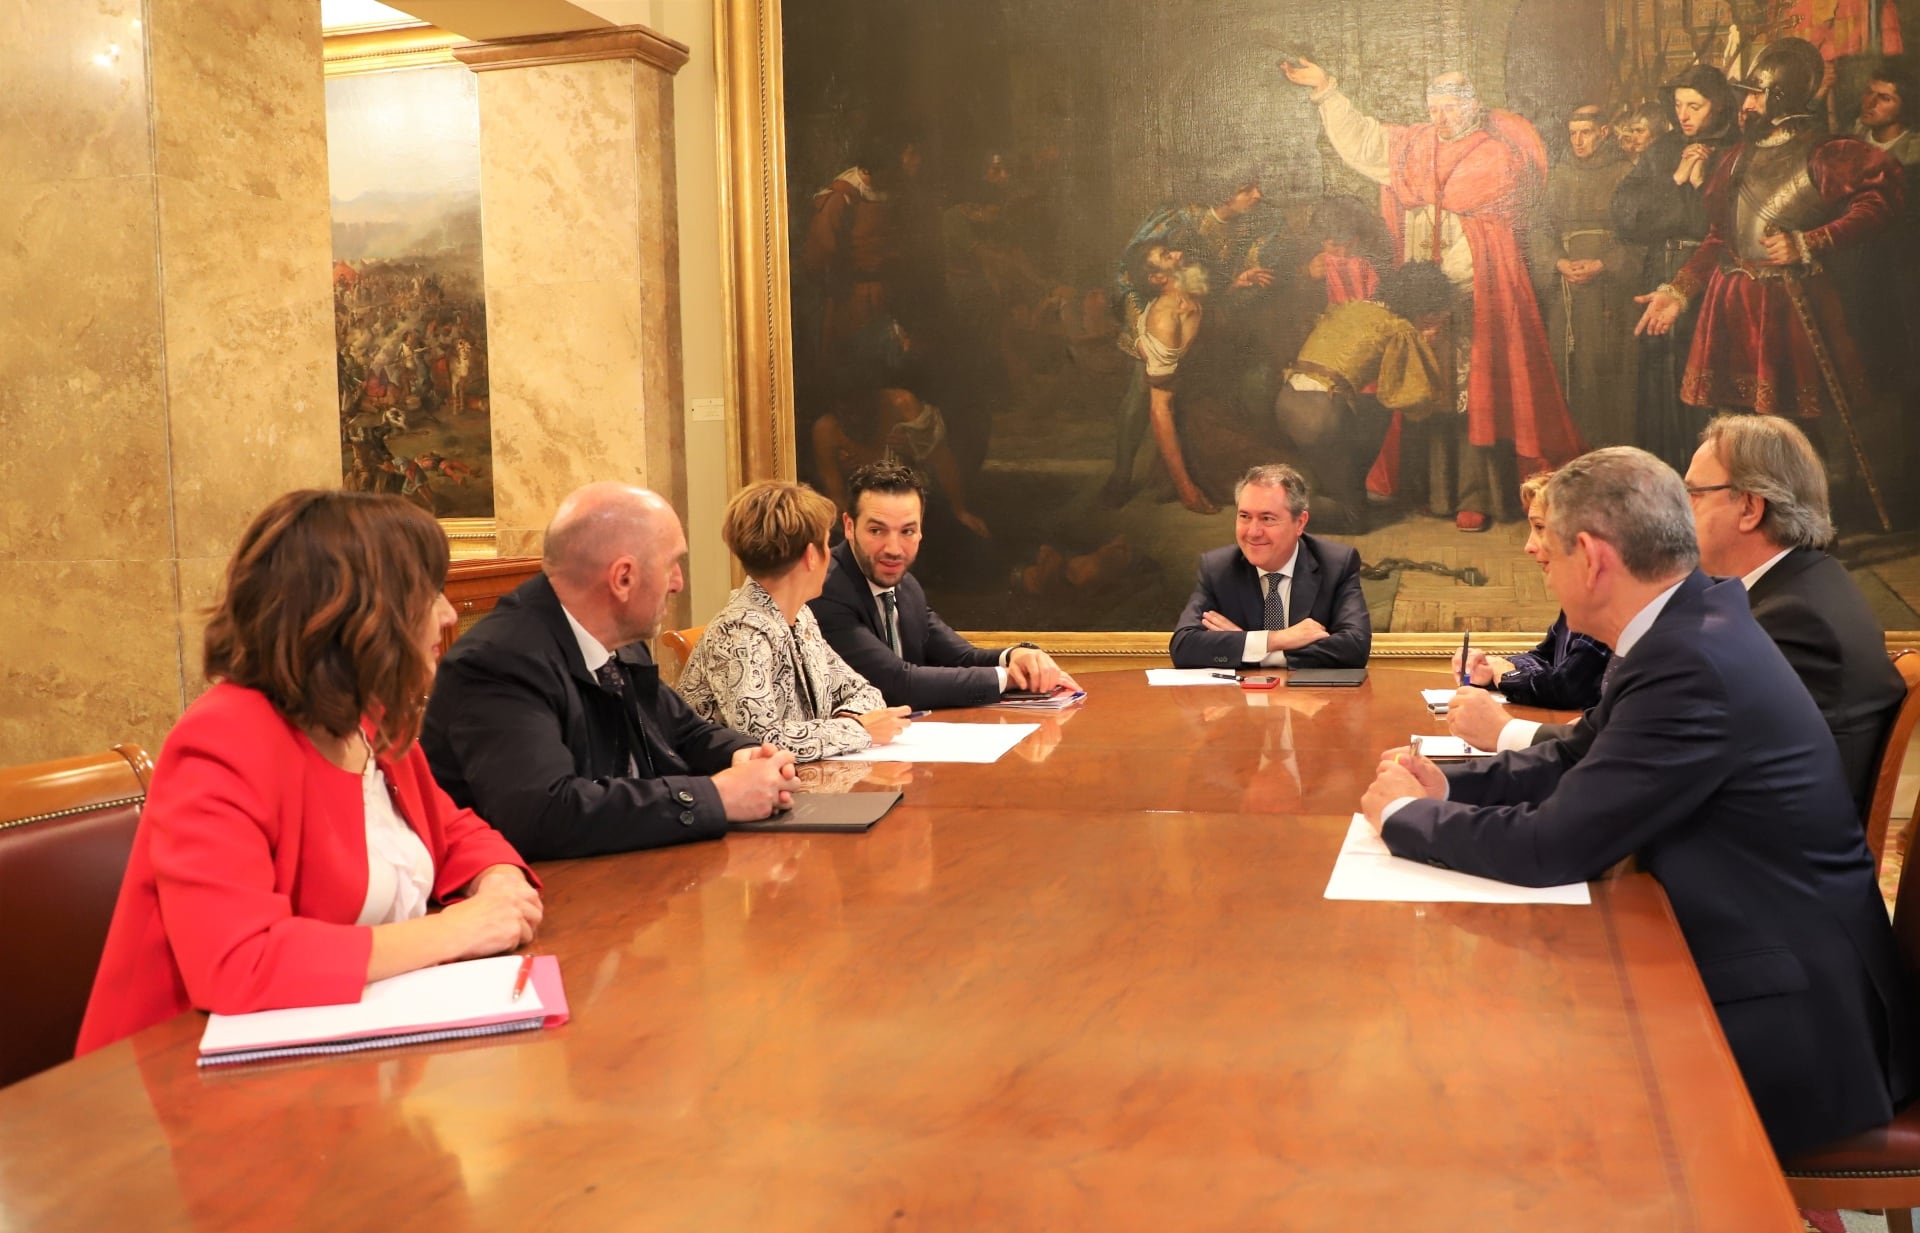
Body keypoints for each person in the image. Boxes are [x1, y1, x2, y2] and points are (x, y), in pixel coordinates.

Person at [1361, 447, 1916, 1157]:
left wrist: (1406, 818)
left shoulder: (1690, 660)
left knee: (1507, 1092)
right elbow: (1579, 752)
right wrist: (1453, 782)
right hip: (1763, 959)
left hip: (1794, 1020)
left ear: (1591, 557)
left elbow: (1554, 846)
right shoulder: (1685, 623)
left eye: (1546, 558)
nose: (1545, 571)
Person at [77, 491, 543, 1052]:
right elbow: (239, 961)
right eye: (429, 592)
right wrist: (454, 931)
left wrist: (498, 883)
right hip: (176, 1079)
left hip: (337, 1057)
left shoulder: (368, 720)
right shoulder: (220, 742)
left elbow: (452, 831)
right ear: (364, 615)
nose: (448, 614)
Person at [1282, 58, 1584, 531]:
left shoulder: (1495, 156)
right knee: (1424, 389)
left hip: (1472, 295)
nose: (1439, 119)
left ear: (1472, 109)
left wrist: (1447, 293)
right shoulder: (1415, 145)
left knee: (1472, 395)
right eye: (1433, 108)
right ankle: (1433, 491)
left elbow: (1480, 228)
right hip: (1420, 297)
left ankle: (1474, 496)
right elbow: (1363, 140)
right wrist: (1325, 90)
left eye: (1449, 109)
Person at [421, 483, 797, 861]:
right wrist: (716, 797)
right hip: (543, 897)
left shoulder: (616, 636)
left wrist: (744, 757)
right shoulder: (499, 662)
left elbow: (682, 732)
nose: (678, 583)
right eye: (672, 565)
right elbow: (544, 814)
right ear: (623, 579)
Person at [1634, 37, 1904, 512]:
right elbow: (1721, 237)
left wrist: (1810, 242)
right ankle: (1744, 517)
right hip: (1731, 302)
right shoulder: (1736, 158)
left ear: (1780, 97)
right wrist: (1677, 291)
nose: (1747, 104)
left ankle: (1805, 524)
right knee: (1734, 425)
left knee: (1796, 425)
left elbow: (1881, 201)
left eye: (1756, 94)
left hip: (1790, 303)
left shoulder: (1825, 153)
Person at [678, 480, 911, 761]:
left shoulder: (801, 617)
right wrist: (857, 729)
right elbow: (763, 743)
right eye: (827, 543)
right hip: (738, 796)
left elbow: (863, 691)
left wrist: (844, 722)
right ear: (811, 556)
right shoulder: (738, 631)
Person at [811, 459, 1071, 710]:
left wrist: (1016, 656)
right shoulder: (824, 586)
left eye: (907, 532)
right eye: (877, 531)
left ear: (921, 531)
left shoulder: (907, 587)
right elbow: (897, 684)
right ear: (848, 526)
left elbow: (963, 658)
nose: (893, 549)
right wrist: (1010, 678)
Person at [1102, 174, 1274, 506]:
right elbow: (1131, 269)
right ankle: (1120, 476)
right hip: (1153, 314)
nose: (1258, 195)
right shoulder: (1177, 219)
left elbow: (1204, 283)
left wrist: (1233, 286)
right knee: (1144, 394)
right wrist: (1146, 329)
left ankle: (1175, 475)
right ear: (1225, 193)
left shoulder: (1241, 228)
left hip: (1195, 317)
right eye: (1247, 189)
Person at [1610, 65, 1740, 471]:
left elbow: (1733, 224)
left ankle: (1709, 479)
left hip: (1712, 277)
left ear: (1717, 107)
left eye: (1695, 106)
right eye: (1679, 105)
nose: (1684, 115)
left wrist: (1702, 184)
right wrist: (1677, 178)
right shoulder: (1664, 149)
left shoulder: (1738, 148)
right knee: (1658, 377)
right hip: (1658, 273)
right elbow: (1626, 217)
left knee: (1704, 377)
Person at [1273, 260, 1451, 533]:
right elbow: (1413, 394)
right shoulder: (1398, 328)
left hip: (1287, 402)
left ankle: (1342, 494)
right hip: (1320, 415)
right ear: (1421, 306)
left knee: (1372, 407)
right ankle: (1275, 506)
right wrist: (1425, 346)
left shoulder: (1352, 307)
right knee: (1353, 521)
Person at [1169, 463, 1371, 669]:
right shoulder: (1218, 569)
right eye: (1245, 517)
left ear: (1300, 523)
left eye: (1267, 518)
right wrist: (1276, 639)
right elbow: (1184, 648)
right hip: (1240, 700)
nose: (1253, 532)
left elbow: (1354, 648)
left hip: (1313, 699)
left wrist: (1249, 648)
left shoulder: (1335, 564)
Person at [1449, 471, 1610, 710]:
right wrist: (1494, 666)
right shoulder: (1576, 597)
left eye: (1540, 527)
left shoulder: (1608, 600)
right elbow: (1546, 657)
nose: (1529, 546)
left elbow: (1567, 688)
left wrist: (1505, 676)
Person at [1534, 104, 1639, 448]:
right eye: (1573, 134)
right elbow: (1539, 230)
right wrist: (1557, 262)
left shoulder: (1626, 173)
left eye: (1586, 133)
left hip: (1609, 293)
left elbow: (1640, 236)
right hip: (1567, 291)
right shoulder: (1559, 174)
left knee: (1607, 374)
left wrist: (1604, 263)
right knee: (1569, 369)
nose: (1578, 141)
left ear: (1604, 132)